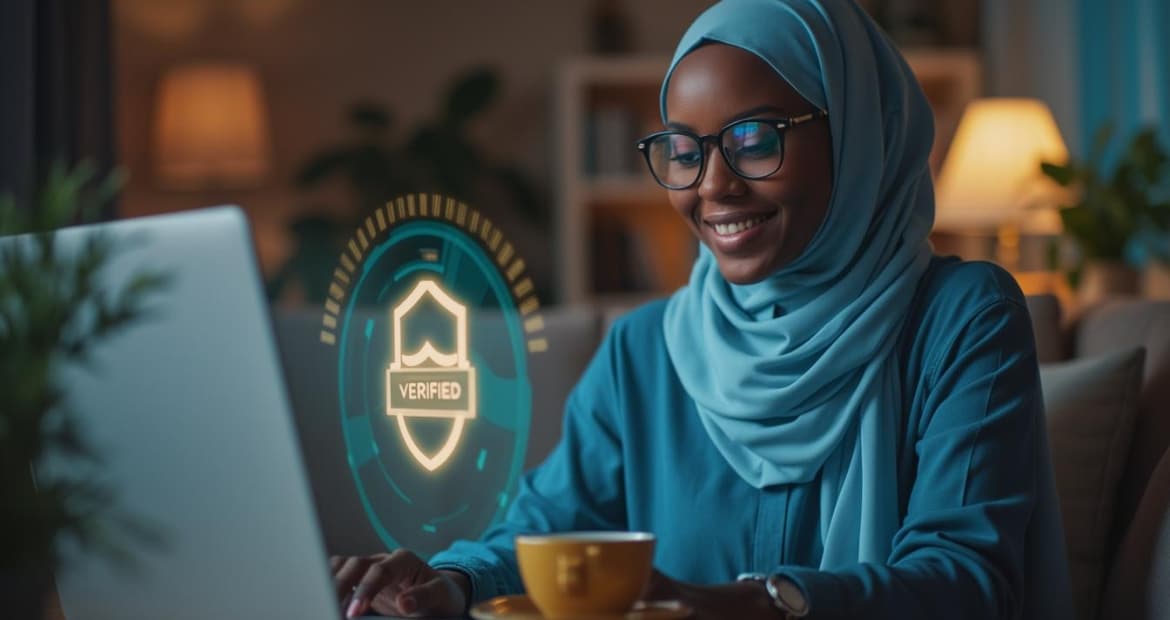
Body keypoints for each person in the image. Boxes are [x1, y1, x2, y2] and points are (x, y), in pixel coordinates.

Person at [330, 1, 1074, 618]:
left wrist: (749, 605)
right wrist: (449, 583)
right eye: (683, 151)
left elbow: (966, 580)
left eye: (755, 140)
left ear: (856, 134)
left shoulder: (962, 316)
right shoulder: (646, 351)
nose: (712, 186)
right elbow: (542, 533)